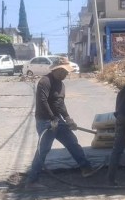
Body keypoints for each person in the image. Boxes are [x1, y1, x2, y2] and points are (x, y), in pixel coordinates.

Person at [23, 60, 96, 190]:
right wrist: (52, 119)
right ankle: (31, 181)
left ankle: (86, 168)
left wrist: (67, 118)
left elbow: (60, 104)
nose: (65, 74)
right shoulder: (44, 82)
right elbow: (42, 101)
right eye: (63, 71)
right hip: (45, 121)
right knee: (43, 150)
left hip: (57, 120)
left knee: (72, 142)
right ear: (56, 69)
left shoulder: (61, 85)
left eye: (66, 72)